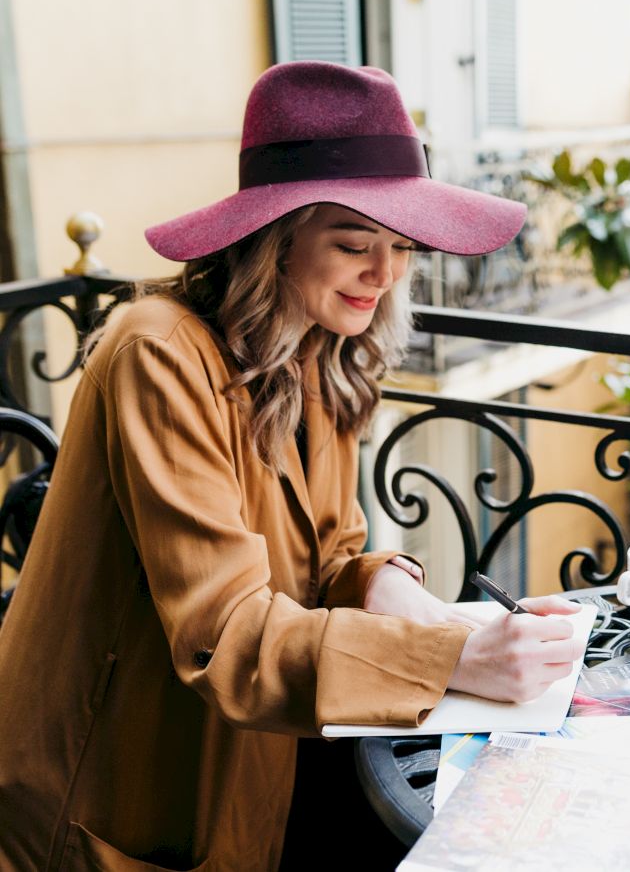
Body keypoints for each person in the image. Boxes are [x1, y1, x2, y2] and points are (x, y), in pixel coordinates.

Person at [0, 61, 584, 871]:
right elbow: (226, 637)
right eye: (354, 244)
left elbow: (329, 554)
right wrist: (457, 659)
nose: (384, 276)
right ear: (274, 242)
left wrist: (414, 601)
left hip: (253, 758)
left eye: (401, 247)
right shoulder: (157, 353)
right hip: (114, 782)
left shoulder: (317, 351)